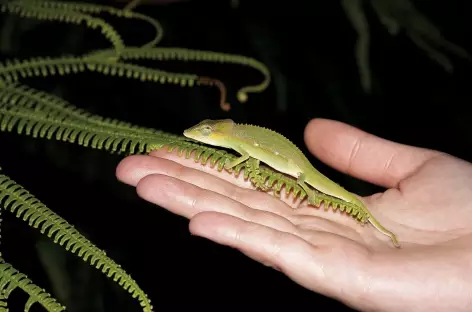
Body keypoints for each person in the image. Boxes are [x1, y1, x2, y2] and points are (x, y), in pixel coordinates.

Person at [116, 118, 472, 312]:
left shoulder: (235, 140)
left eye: (207, 132)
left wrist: (233, 161)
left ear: (220, 131)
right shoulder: (234, 135)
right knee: (332, 193)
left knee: (330, 193)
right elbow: (251, 156)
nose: (201, 135)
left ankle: (369, 220)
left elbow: (247, 158)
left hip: (297, 170)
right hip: (291, 165)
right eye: (203, 131)